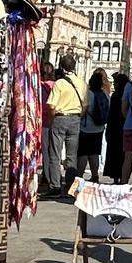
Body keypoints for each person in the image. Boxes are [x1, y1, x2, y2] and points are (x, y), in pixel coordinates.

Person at [43, 54, 84, 196]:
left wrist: (52, 119)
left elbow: (51, 105)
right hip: (75, 118)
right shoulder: (81, 83)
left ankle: (55, 185)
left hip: (60, 118)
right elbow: (86, 105)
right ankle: (70, 186)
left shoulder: (59, 83)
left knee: (55, 154)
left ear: (62, 67)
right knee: (72, 155)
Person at [78, 68, 112, 182]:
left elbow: (84, 109)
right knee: (94, 153)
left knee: (83, 153)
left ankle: (79, 176)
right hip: (99, 128)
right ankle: (95, 175)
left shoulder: (88, 94)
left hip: (86, 128)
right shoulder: (105, 95)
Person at [106, 71, 130, 184]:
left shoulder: (116, 96)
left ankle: (116, 176)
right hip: (124, 126)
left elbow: (111, 114)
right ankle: (122, 176)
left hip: (115, 127)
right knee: (123, 154)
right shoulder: (126, 95)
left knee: (114, 153)